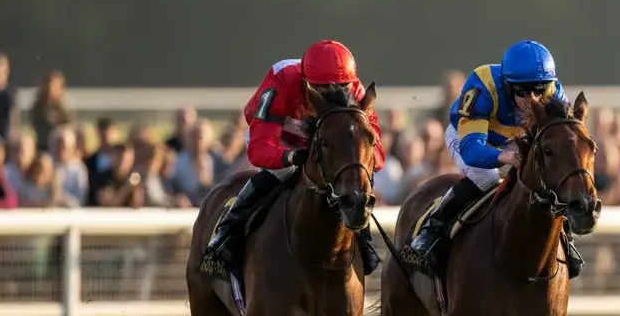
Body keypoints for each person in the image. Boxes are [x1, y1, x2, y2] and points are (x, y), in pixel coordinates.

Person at [200, 40, 386, 277]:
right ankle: (223, 239)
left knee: (354, 176)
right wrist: (290, 156)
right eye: (323, 90)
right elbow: (259, 148)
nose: (333, 95)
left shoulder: (358, 92)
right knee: (279, 174)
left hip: (328, 138)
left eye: (340, 87)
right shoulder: (283, 79)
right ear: (306, 82)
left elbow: (378, 156)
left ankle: (363, 237)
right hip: (281, 133)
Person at [405, 39, 583, 276]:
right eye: (523, 91)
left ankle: (567, 238)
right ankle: (431, 230)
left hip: (513, 139)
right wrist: (505, 157)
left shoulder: (556, 94)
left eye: (539, 90)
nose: (532, 99)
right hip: (469, 136)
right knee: (486, 176)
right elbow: (471, 149)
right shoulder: (483, 86)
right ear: (508, 85)